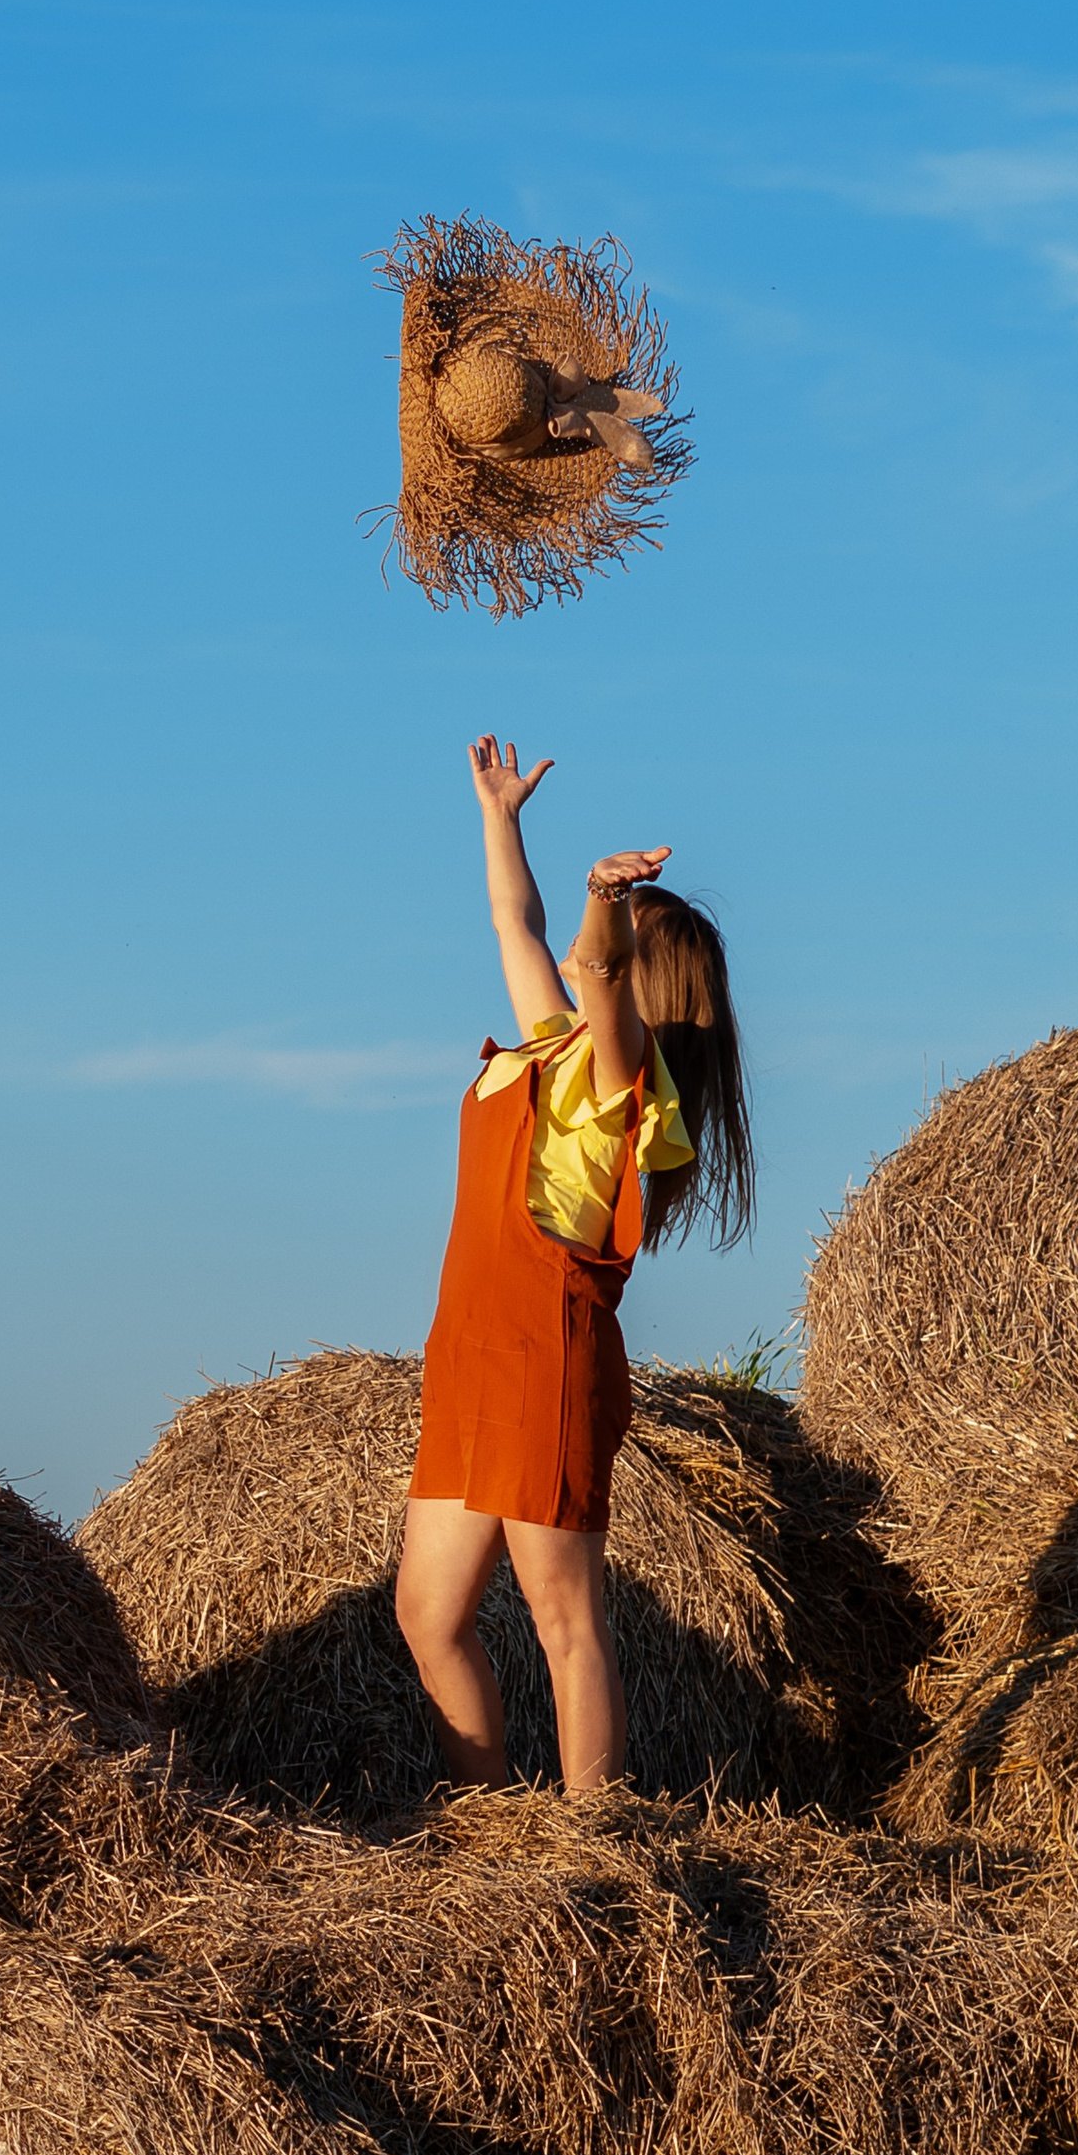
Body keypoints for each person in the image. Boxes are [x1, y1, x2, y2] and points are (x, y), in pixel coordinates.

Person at [396, 732, 756, 1792]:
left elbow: (591, 956)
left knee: (563, 1619)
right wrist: (500, 819)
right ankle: (485, 1822)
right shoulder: (548, 1044)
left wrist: (605, 891)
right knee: (427, 1614)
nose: (583, 952)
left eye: (613, 938)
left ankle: (595, 1842)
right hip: (466, 1353)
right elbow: (520, 921)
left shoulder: (617, 1071)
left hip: (546, 1356)